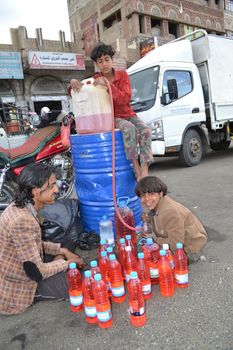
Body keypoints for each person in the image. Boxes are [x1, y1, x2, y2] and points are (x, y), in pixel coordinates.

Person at [0, 163, 83, 315]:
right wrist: (66, 263)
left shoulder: (18, 207)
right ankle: (59, 269)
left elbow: (32, 243)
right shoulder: (22, 220)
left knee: (67, 243)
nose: (56, 190)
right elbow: (36, 272)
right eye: (51, 186)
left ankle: (58, 261)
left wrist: (62, 250)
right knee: (79, 282)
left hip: (27, 263)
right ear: (35, 191)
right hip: (22, 287)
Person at [69, 43, 153, 181]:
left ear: (112, 60)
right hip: (110, 117)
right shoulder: (95, 79)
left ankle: (145, 170)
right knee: (129, 129)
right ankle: (136, 168)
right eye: (100, 61)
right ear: (96, 63)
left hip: (128, 113)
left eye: (107, 59)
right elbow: (80, 90)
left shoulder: (123, 75)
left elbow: (125, 99)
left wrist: (108, 86)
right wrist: (72, 83)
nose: (104, 64)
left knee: (146, 131)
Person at [135, 176, 208, 262]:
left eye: (151, 194)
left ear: (160, 194)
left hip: (188, 250)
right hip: (175, 242)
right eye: (143, 195)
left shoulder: (171, 212)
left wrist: (154, 238)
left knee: (151, 266)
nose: (147, 199)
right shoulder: (157, 204)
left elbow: (176, 245)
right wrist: (148, 221)